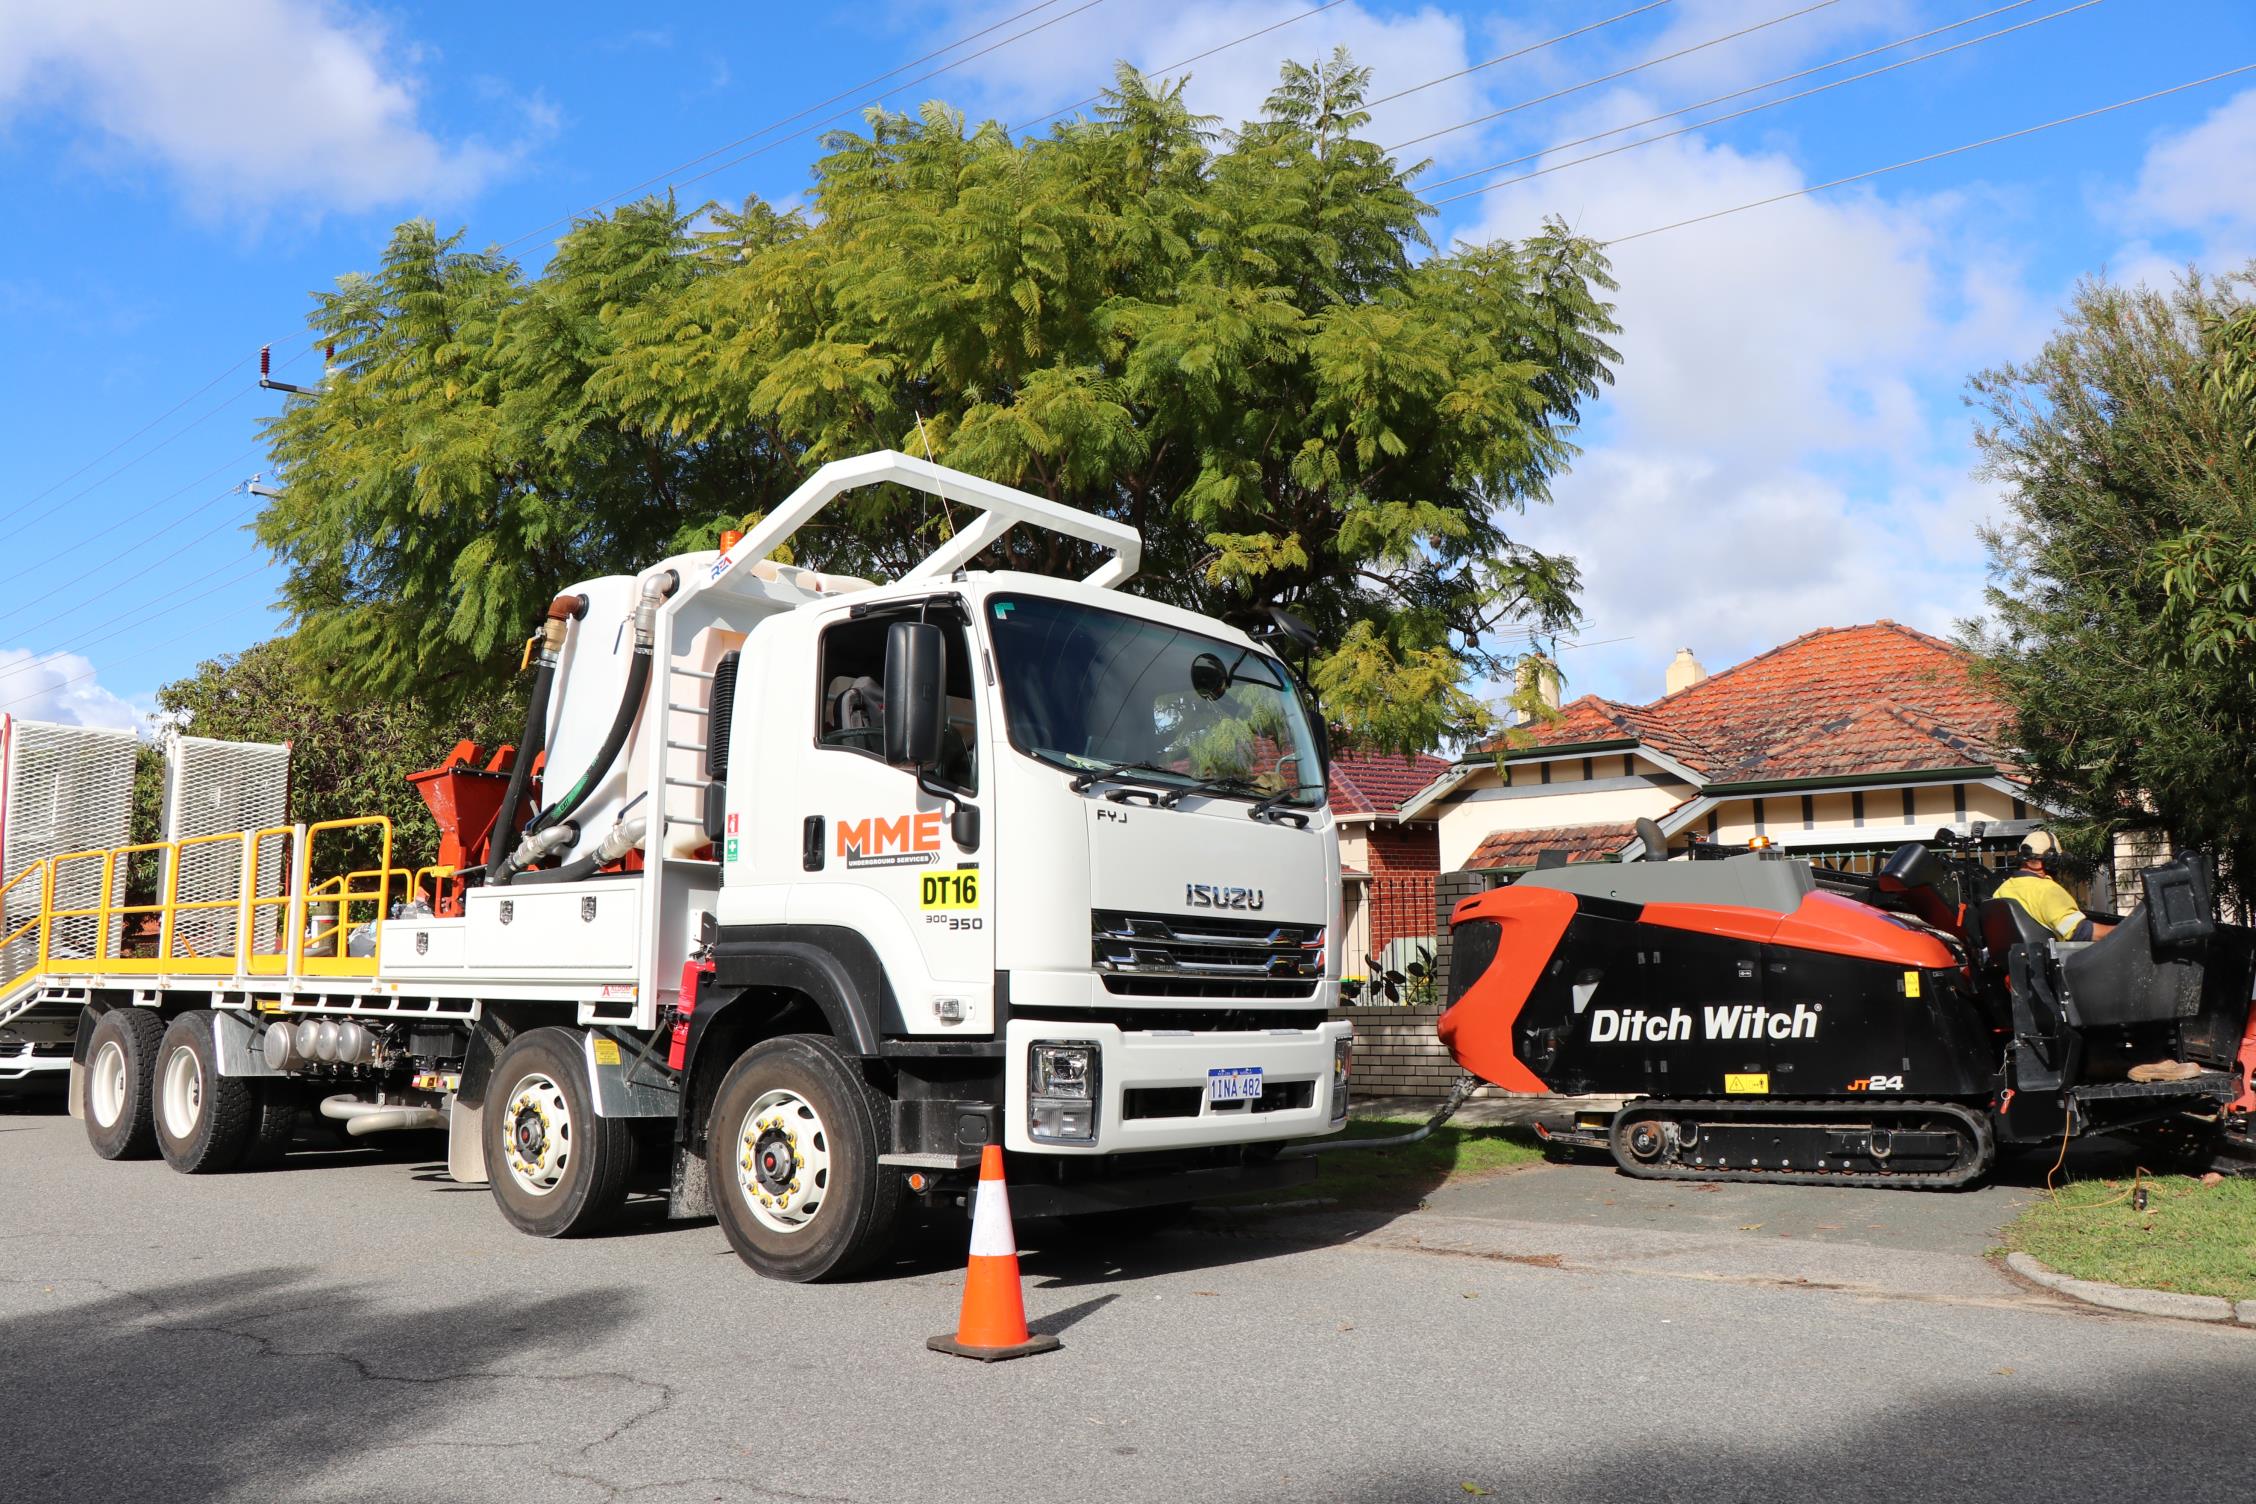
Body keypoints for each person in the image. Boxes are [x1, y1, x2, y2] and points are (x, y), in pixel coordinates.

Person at [1992, 835, 2113, 942]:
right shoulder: (2047, 889)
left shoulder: (2002, 889)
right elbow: (2079, 931)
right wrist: (2126, 931)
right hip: (2060, 963)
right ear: (2049, 861)